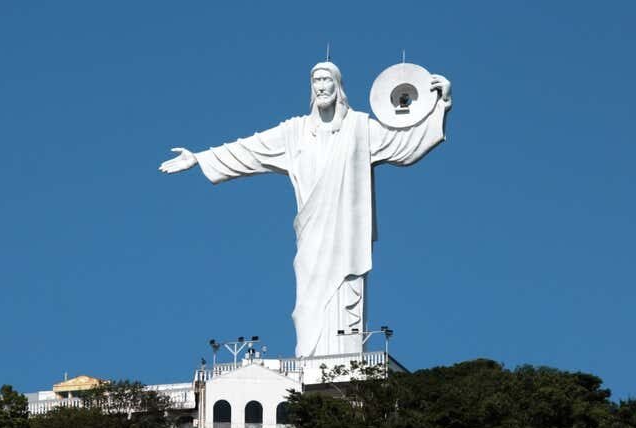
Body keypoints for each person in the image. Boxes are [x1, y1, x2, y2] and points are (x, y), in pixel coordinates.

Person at [160, 62, 451, 358]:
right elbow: (249, 149)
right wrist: (200, 158)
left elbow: (404, 145)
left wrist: (440, 105)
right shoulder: (294, 132)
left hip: (346, 238)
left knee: (346, 293)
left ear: (338, 87)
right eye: (316, 81)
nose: (321, 86)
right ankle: (311, 361)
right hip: (311, 236)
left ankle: (341, 361)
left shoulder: (361, 128)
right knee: (308, 305)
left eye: (327, 80)